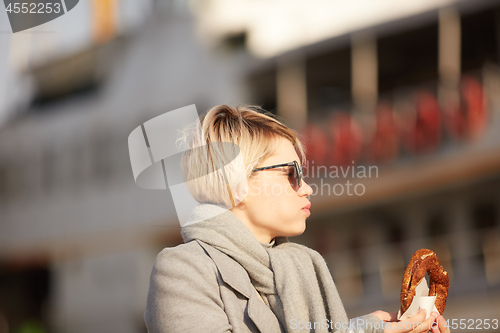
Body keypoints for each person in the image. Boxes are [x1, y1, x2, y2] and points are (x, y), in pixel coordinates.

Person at [143, 105, 450, 333]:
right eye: (292, 173)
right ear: (238, 182)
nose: (306, 187)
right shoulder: (182, 270)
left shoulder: (305, 265)